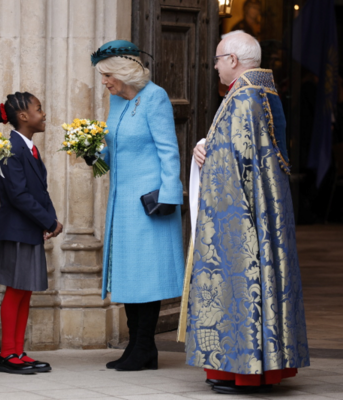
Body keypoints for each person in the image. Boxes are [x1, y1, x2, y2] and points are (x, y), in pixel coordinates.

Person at [184, 31, 309, 395]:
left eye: (218, 59)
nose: (216, 67)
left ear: (234, 61)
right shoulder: (265, 93)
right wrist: (205, 147)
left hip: (240, 215)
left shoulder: (243, 98)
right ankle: (249, 370)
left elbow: (232, 165)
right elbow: (243, 152)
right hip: (265, 208)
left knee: (241, 284)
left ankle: (245, 371)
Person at [90, 40, 185, 371]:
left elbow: (168, 150)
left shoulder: (154, 97)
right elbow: (112, 148)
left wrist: (170, 197)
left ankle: (146, 347)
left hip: (150, 203)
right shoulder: (117, 100)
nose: (104, 83)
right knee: (129, 275)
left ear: (123, 72)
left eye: (107, 76)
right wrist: (93, 154)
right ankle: (136, 346)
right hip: (122, 201)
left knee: (149, 275)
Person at [0, 93, 62, 374]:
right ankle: (7, 354)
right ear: (23, 117)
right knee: (15, 291)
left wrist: (50, 220)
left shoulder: (28, 148)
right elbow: (18, 195)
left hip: (29, 227)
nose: (43, 114)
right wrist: (49, 221)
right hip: (16, 229)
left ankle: (18, 350)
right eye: (38, 109)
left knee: (25, 291)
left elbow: (39, 190)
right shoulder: (10, 147)